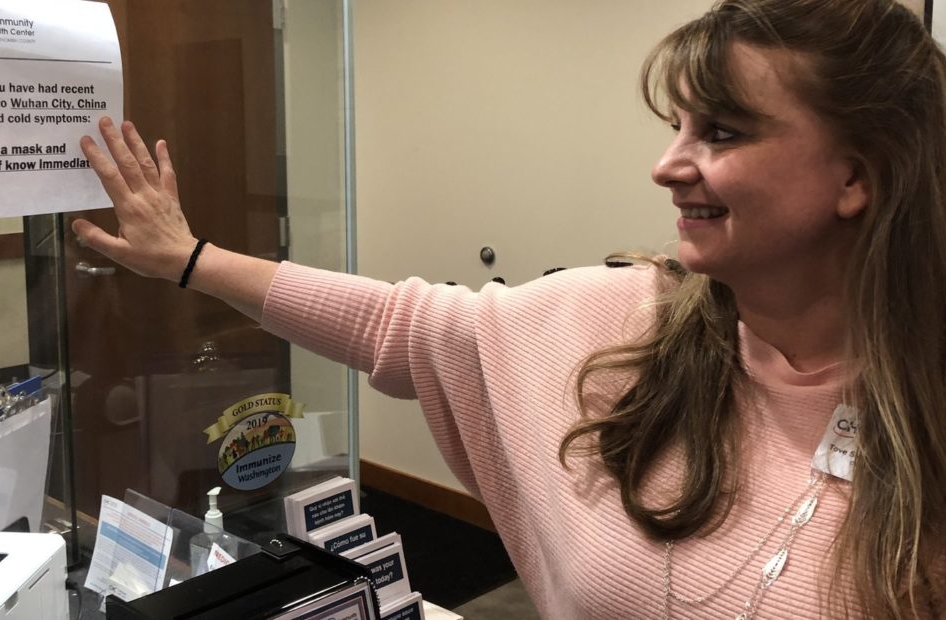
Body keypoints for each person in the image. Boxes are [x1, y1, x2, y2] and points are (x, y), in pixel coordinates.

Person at [72, 0, 946, 617]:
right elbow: (396, 324)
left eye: (720, 132)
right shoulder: (622, 324)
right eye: (675, 128)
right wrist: (191, 260)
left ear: (857, 175)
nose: (668, 165)